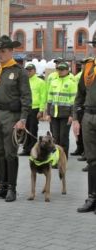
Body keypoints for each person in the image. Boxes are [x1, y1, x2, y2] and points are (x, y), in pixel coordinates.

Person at [0, 35, 31, 202]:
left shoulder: (19, 72)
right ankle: (1, 186)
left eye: (3, 51)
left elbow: (26, 97)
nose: (0, 54)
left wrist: (23, 119)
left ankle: (12, 188)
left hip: (12, 116)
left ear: (11, 51)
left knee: (10, 154)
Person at [73, 55, 96, 213]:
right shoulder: (88, 66)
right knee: (92, 159)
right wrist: (75, 118)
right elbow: (80, 94)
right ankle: (92, 198)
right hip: (88, 116)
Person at [46, 62, 77, 158]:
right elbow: (50, 99)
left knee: (63, 138)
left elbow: (74, 101)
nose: (60, 71)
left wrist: (72, 115)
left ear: (67, 70)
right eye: (59, 69)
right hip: (54, 115)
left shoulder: (71, 83)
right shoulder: (54, 82)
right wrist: (48, 114)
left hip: (66, 116)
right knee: (55, 138)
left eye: (62, 69)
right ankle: (56, 158)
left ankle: (63, 159)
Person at [19, 63, 47, 156]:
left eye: (30, 70)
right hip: (25, 108)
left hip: (35, 109)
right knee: (25, 129)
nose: (28, 72)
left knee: (32, 129)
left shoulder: (40, 82)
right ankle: (26, 149)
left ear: (34, 71)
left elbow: (43, 97)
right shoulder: (24, 81)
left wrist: (41, 110)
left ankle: (33, 149)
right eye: (27, 70)